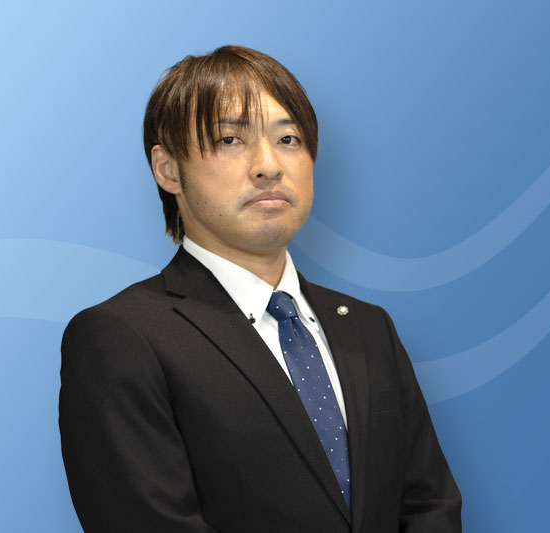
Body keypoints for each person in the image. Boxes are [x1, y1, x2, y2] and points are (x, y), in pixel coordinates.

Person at [59, 45, 461, 532]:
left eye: (288, 139)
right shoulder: (122, 337)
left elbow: (430, 505)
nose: (268, 165)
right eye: (230, 139)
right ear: (168, 169)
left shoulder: (368, 327)